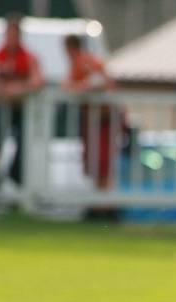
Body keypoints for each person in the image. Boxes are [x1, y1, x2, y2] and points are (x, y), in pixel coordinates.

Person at [61, 34, 116, 189]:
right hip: (93, 118)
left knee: (102, 163)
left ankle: (104, 204)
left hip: (104, 117)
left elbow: (100, 80)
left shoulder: (84, 61)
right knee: (94, 162)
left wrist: (80, 88)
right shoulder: (77, 63)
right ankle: (99, 201)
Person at [0, 13, 44, 187]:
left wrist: (18, 89)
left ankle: (17, 181)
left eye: (14, 34)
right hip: (0, 109)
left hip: (20, 110)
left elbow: (38, 80)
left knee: (22, 147)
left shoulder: (29, 57)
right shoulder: (0, 55)